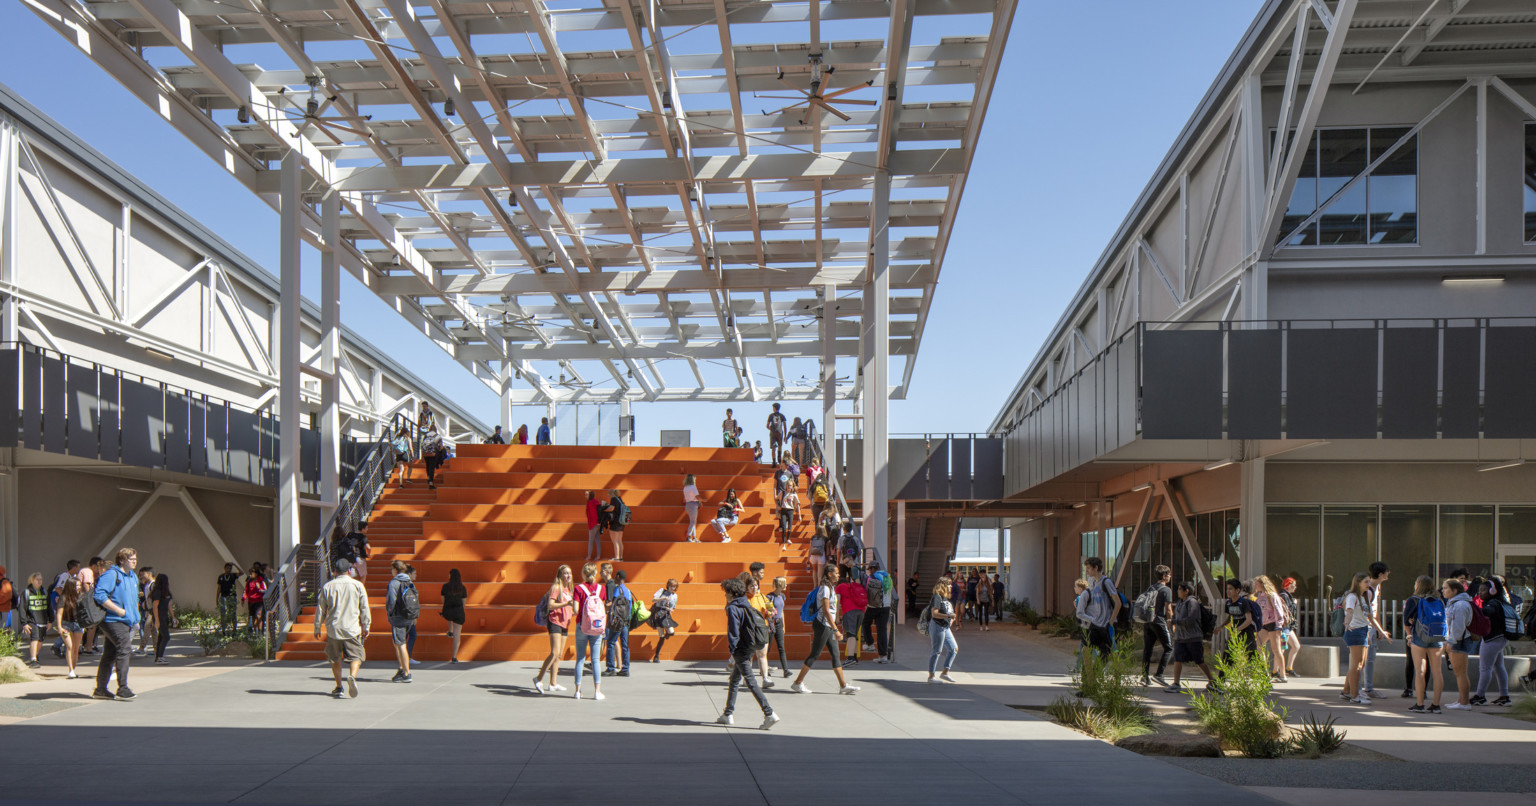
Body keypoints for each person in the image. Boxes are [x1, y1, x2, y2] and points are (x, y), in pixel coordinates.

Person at [715, 577, 780, 729]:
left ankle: (769, 713)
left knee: (750, 681)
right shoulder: (747, 605)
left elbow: (733, 631)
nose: (725, 595)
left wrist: (733, 652)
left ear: (731, 593)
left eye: (726, 592)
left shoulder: (733, 608)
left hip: (740, 649)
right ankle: (728, 713)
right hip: (751, 646)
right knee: (734, 680)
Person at [790, 565, 860, 695]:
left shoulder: (831, 588)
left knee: (835, 654)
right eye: (836, 573)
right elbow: (826, 611)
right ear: (829, 574)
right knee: (815, 654)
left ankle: (843, 685)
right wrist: (836, 630)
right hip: (823, 625)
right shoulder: (825, 589)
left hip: (828, 625)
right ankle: (797, 683)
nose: (839, 575)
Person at [91, 548, 141, 701]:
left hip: (126, 620)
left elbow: (133, 599)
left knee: (110, 654)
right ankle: (123, 688)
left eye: (135, 558)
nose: (134, 561)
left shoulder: (132, 577)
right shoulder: (112, 574)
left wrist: (135, 617)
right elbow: (99, 594)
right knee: (124, 649)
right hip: (112, 619)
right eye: (130, 559)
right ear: (122, 560)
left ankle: (100, 689)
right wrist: (119, 611)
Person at [315, 559, 369, 698]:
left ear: (335, 571)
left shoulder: (328, 586)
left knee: (335, 659)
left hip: (334, 628)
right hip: (352, 628)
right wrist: (366, 625)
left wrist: (317, 627)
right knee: (357, 656)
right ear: (349, 571)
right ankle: (352, 676)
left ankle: (339, 687)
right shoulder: (357, 585)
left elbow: (321, 609)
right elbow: (364, 607)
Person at [1164, 582, 1218, 693]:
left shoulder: (1192, 602)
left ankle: (1212, 681)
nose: (1177, 591)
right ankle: (1176, 683)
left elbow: (1191, 619)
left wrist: (1175, 622)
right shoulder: (1180, 602)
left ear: (1186, 591)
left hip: (1193, 637)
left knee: (1199, 660)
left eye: (1179, 589)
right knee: (1177, 659)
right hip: (1180, 637)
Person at [1404, 575, 1445, 714]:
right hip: (1437, 636)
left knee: (1420, 671)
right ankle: (1436, 705)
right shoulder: (1439, 600)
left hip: (1420, 637)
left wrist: (1409, 635)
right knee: (1437, 671)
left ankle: (1420, 704)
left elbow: (1406, 622)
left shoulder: (1413, 600)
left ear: (1418, 585)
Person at [1473, 576, 1515, 706]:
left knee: (1485, 668)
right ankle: (1504, 696)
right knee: (1498, 666)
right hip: (1500, 639)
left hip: (1492, 639)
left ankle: (1480, 696)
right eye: (1479, 591)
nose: (1480, 593)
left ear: (1492, 590)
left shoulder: (1493, 604)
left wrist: (1475, 611)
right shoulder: (1501, 602)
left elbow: (1486, 612)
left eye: (1483, 590)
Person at [570, 563, 607, 701]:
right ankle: (597, 692)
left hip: (582, 626)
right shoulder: (601, 589)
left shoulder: (578, 588)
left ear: (583, 574)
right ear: (596, 573)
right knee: (596, 660)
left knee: (580, 659)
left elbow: (575, 610)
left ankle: (577, 691)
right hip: (596, 627)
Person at [535, 565, 574, 693]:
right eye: (565, 573)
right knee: (554, 653)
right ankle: (538, 678)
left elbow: (570, 607)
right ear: (560, 575)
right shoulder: (556, 588)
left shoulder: (568, 590)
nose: (568, 575)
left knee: (559, 655)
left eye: (569, 573)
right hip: (555, 622)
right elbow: (551, 605)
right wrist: (566, 604)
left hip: (565, 623)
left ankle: (553, 683)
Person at [1360, 561, 1391, 699]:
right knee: (1362, 659)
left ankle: (1368, 688)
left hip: (1372, 626)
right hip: (1365, 626)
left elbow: (1375, 608)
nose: (1388, 573)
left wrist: (1379, 628)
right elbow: (1365, 612)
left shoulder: (1377, 587)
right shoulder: (1368, 589)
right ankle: (1359, 689)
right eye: (1387, 571)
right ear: (1380, 574)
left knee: (1370, 658)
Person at [1443, 578, 1476, 710]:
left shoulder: (1460, 605)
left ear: (1455, 590)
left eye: (1445, 588)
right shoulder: (1454, 603)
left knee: (1461, 673)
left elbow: (1458, 626)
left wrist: (1451, 641)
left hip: (1460, 641)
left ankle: (1464, 702)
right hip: (1457, 640)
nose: (1443, 590)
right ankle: (1461, 700)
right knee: (1458, 672)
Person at [1341, 572, 1372, 704]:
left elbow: (1367, 616)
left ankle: (1346, 692)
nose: (1368, 584)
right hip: (1355, 631)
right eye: (1366, 582)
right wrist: (1347, 623)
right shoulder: (1352, 596)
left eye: (1369, 581)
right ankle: (1355, 696)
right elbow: (1349, 611)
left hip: (1363, 631)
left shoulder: (1362, 597)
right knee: (1357, 666)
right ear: (1358, 582)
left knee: (1359, 664)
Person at [1140, 566, 1173, 686]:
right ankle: (1159, 674)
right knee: (1169, 648)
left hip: (1148, 621)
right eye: (1168, 575)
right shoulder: (1166, 590)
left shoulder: (1150, 588)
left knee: (1148, 649)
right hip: (1159, 621)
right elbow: (1168, 608)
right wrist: (1170, 621)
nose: (1170, 577)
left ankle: (1145, 677)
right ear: (1164, 576)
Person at [385, 560, 417, 683]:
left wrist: (389, 613)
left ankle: (406, 673)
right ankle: (402, 668)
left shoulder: (394, 582)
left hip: (398, 617)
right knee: (398, 642)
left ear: (395, 569)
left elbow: (391, 600)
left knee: (401, 643)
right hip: (409, 616)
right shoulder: (409, 581)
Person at [1251, 575, 1288, 683]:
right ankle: (1264, 672)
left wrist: (1279, 626)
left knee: (1276, 649)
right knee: (1258, 646)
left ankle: (1283, 675)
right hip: (1264, 624)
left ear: (1263, 584)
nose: (1256, 586)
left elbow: (1278, 610)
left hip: (1273, 624)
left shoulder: (1272, 595)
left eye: (1257, 583)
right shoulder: (1260, 596)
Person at [1081, 557, 1119, 658]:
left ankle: (1116, 673)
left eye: (1088, 568)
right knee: (1086, 648)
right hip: (1097, 623)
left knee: (1110, 653)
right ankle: (1091, 673)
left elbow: (1118, 603)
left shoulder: (1106, 582)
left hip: (1106, 624)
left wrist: (1111, 621)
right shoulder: (1093, 583)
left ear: (1096, 568)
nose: (1087, 571)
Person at [925, 577, 958, 684]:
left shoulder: (945, 598)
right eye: (948, 585)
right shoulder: (937, 597)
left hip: (945, 627)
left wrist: (951, 619)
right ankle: (931, 676)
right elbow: (934, 613)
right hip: (937, 626)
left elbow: (949, 615)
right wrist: (949, 616)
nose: (951, 586)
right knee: (936, 651)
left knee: (954, 649)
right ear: (942, 586)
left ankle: (945, 672)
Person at [53, 579, 87, 679]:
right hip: (66, 624)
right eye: (76, 586)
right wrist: (59, 626)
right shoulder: (64, 597)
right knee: (69, 646)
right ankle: (70, 670)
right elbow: (59, 613)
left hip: (78, 624)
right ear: (70, 586)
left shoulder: (81, 596)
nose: (78, 588)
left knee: (76, 649)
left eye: (79, 585)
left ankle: (74, 669)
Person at [604, 567, 633, 677]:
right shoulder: (628, 591)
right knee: (625, 645)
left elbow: (613, 604)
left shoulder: (618, 589)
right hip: (626, 621)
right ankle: (625, 668)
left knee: (611, 642)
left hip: (617, 621)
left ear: (618, 577)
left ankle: (611, 667)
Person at [835, 571, 868, 665]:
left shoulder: (839, 587)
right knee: (855, 634)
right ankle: (854, 657)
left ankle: (850, 658)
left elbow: (837, 601)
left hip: (849, 611)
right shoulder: (852, 586)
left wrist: (837, 617)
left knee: (850, 635)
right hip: (861, 611)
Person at [862, 562, 893, 663]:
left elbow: (867, 590)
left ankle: (870, 644)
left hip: (873, 606)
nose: (869, 571)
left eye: (869, 569)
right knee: (882, 631)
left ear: (872, 569)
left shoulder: (871, 577)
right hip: (886, 607)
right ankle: (883, 656)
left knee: (865, 623)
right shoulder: (887, 576)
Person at [20, 572, 49, 668]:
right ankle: (33, 660)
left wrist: (50, 620)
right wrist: (24, 623)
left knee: (41, 640)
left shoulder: (44, 591)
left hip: (43, 620)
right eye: (38, 579)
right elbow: (22, 609)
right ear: (32, 580)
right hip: (32, 620)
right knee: (35, 638)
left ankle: (35, 655)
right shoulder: (26, 592)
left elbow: (49, 606)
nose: (40, 581)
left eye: (41, 579)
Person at [441, 568, 467, 663]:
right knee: (457, 636)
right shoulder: (462, 588)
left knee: (449, 616)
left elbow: (443, 600)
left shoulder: (445, 586)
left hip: (447, 611)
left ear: (450, 576)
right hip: (458, 612)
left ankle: (450, 631)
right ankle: (454, 657)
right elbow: (464, 602)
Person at [767, 576, 791, 678]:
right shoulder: (769, 596)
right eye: (784, 583)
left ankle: (785, 669)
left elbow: (782, 612)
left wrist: (783, 625)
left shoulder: (782, 596)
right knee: (767, 648)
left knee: (781, 647)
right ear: (780, 584)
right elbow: (768, 611)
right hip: (771, 623)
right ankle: (764, 668)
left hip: (779, 622)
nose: (786, 585)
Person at [649, 579, 679, 662]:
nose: (672, 588)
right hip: (658, 613)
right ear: (668, 585)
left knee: (671, 632)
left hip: (666, 615)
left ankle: (667, 634)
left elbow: (673, 607)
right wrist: (663, 599)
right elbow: (653, 600)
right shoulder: (662, 591)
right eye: (671, 586)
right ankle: (656, 656)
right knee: (661, 636)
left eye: (674, 586)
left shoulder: (675, 596)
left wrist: (670, 609)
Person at [1279, 577, 1301, 678]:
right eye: (1293, 585)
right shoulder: (1284, 596)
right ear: (1288, 585)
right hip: (1285, 626)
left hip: (1288, 627)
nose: (1295, 587)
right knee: (1281, 649)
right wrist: (1294, 604)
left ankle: (1288, 667)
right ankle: (1277, 670)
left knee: (1295, 646)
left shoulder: (1286, 595)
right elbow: (1288, 610)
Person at [149, 573, 173, 664]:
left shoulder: (166, 592)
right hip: (160, 617)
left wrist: (173, 617)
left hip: (165, 616)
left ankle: (158, 657)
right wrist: (157, 620)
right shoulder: (157, 592)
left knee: (161, 637)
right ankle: (160, 657)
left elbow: (169, 605)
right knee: (166, 637)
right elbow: (155, 607)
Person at [215, 563, 240, 633]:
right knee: (223, 613)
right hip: (223, 597)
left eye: (230, 568)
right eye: (228, 568)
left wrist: (235, 565)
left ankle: (234, 629)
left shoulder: (233, 575)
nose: (229, 570)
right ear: (225, 568)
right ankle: (223, 629)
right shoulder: (221, 577)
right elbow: (219, 588)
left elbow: (241, 573)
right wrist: (217, 598)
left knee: (233, 613)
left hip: (232, 597)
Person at [243, 563, 267, 634]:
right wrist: (243, 599)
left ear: (256, 574)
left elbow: (265, 590)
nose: (250, 575)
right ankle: (255, 631)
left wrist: (259, 588)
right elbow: (246, 591)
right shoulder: (249, 581)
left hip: (259, 601)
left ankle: (260, 631)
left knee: (259, 616)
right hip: (251, 601)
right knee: (253, 616)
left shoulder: (261, 580)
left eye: (252, 573)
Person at [606, 489, 630, 562]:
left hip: (616, 522)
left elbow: (611, 508)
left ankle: (616, 557)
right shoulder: (620, 500)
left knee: (615, 541)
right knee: (619, 540)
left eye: (609, 494)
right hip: (622, 522)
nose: (608, 496)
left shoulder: (614, 499)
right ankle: (620, 557)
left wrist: (604, 509)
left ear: (612, 494)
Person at [420, 425, 446, 490]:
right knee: (432, 467)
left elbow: (422, 445)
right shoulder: (438, 436)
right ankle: (431, 483)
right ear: (435, 429)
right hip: (434, 453)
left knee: (428, 466)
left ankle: (429, 478)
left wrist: (422, 456)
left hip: (426, 453)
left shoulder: (426, 435)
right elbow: (441, 446)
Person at [682, 475, 701, 543]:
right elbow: (697, 496)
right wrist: (702, 500)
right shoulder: (693, 487)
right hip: (693, 505)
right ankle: (689, 536)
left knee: (693, 521)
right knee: (693, 522)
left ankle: (694, 537)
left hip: (688, 505)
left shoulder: (685, 488)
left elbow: (685, 499)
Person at [585, 491, 603, 562]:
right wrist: (599, 522)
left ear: (590, 495)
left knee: (591, 541)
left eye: (586, 494)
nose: (585, 496)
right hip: (598, 524)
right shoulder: (596, 501)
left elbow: (592, 514)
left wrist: (594, 523)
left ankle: (589, 556)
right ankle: (598, 556)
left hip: (593, 524)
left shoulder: (590, 503)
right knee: (598, 540)